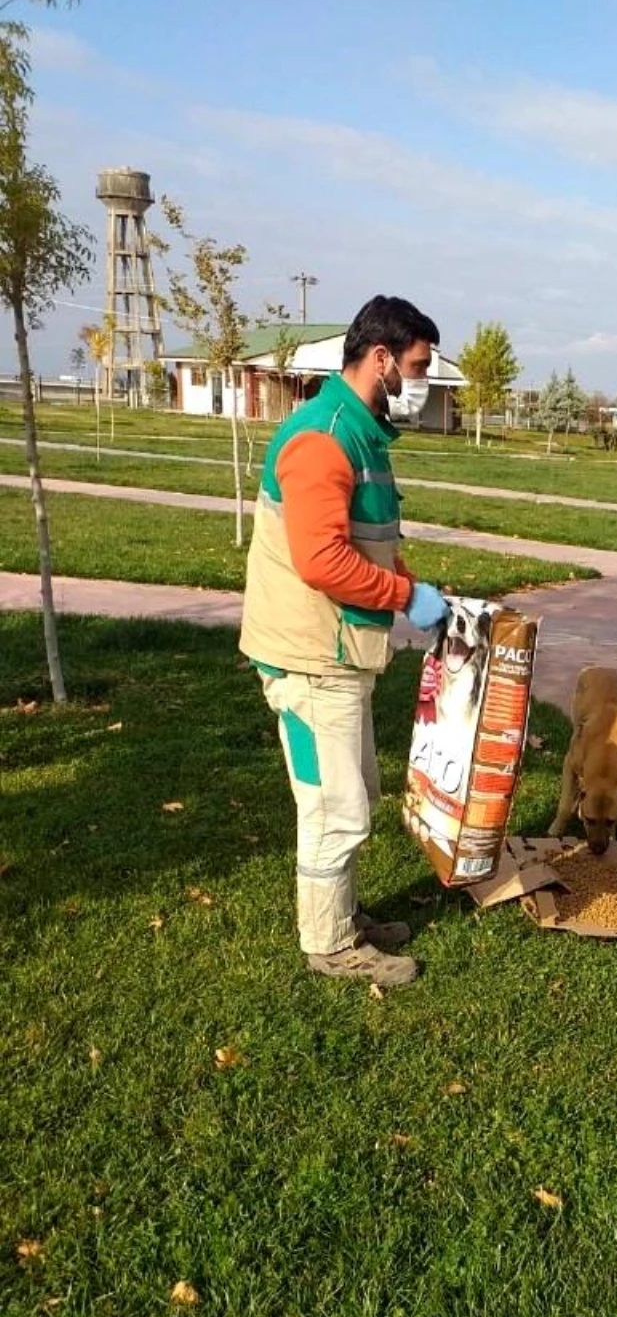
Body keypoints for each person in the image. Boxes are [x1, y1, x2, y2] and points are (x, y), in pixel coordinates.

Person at [239, 295, 449, 988]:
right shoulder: (324, 439)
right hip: (310, 658)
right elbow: (322, 562)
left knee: (354, 790)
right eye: (418, 366)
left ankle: (345, 915)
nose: (422, 381)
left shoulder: (362, 434)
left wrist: (412, 586)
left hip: (341, 655)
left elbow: (373, 547)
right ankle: (328, 944)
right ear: (382, 358)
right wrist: (404, 598)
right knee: (333, 806)